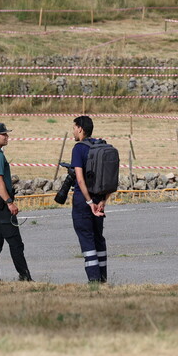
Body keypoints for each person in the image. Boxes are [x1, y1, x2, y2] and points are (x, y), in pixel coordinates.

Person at [0, 122, 32, 282]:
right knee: (15, 241)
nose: (7, 137)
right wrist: (9, 202)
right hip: (0, 201)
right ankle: (24, 276)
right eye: (4, 134)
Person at [70, 115, 109, 283]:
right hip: (100, 199)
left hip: (83, 201)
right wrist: (102, 201)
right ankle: (102, 277)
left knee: (86, 238)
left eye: (73, 127)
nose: (73, 131)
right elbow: (110, 178)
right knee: (98, 238)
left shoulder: (78, 148)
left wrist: (88, 202)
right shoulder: (102, 147)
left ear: (80, 128)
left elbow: (79, 179)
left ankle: (93, 279)